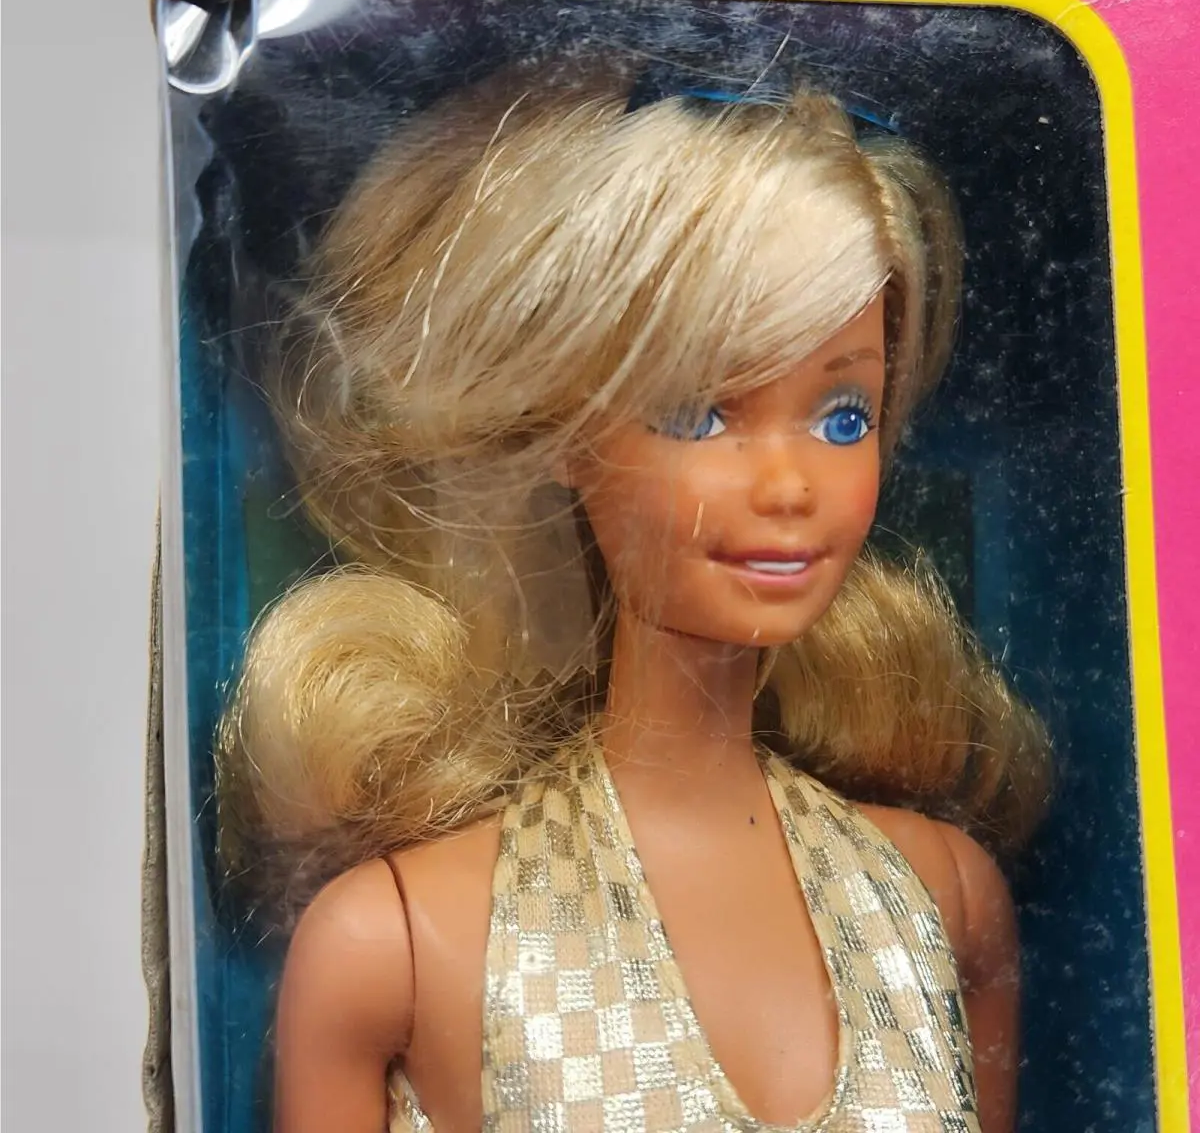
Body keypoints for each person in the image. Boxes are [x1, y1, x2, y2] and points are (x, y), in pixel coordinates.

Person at [217, 63, 1051, 1132]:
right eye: (701, 413)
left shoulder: (941, 902)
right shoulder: (396, 943)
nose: (789, 485)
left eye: (843, 417)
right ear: (569, 434)